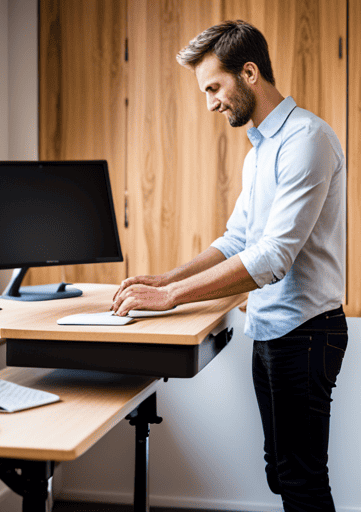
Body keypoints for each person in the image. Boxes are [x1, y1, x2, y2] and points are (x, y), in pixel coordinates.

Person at [111, 20, 348, 512]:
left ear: (249, 72)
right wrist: (166, 278)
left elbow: (273, 256)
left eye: (214, 88)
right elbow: (238, 239)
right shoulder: (260, 149)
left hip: (306, 332)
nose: (210, 103)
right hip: (268, 328)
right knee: (280, 475)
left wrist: (172, 298)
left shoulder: (307, 140)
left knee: (302, 481)